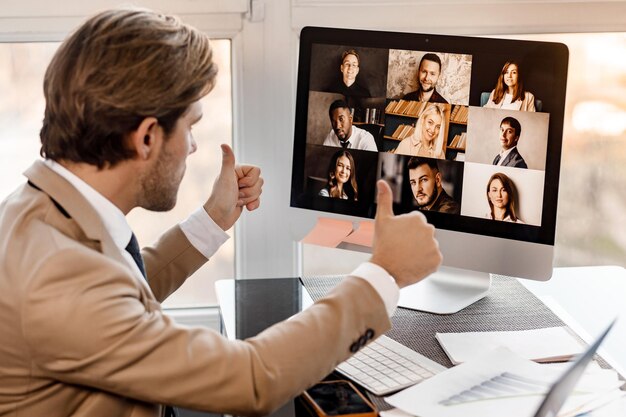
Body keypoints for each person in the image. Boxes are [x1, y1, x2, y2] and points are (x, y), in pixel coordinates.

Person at [0, 8, 442, 417]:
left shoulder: (42, 212)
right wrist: (385, 273)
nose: (193, 146)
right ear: (147, 138)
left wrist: (211, 220)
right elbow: (252, 379)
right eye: (190, 127)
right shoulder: (57, 274)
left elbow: (115, 293)